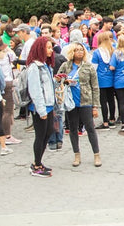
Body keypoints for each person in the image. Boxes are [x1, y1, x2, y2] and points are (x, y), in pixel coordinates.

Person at [58, 41, 101, 168]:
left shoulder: (88, 66)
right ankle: (77, 154)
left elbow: (95, 87)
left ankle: (96, 154)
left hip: (86, 101)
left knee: (90, 128)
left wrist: (95, 106)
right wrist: (65, 81)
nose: (80, 52)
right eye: (77, 50)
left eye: (81, 50)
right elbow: (58, 80)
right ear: (72, 52)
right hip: (71, 103)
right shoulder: (66, 66)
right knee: (73, 129)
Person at [24, 36, 57, 177]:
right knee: (40, 135)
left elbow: (47, 85)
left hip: (49, 105)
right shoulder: (34, 67)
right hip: (40, 108)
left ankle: (38, 162)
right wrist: (41, 110)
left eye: (51, 48)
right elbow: (35, 90)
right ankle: (36, 165)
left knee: (48, 132)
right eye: (48, 48)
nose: (51, 51)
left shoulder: (45, 65)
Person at [91, 31, 117, 129]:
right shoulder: (112, 50)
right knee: (111, 100)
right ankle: (112, 119)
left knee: (103, 101)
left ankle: (105, 122)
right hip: (111, 78)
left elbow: (94, 67)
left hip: (101, 79)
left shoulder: (97, 52)